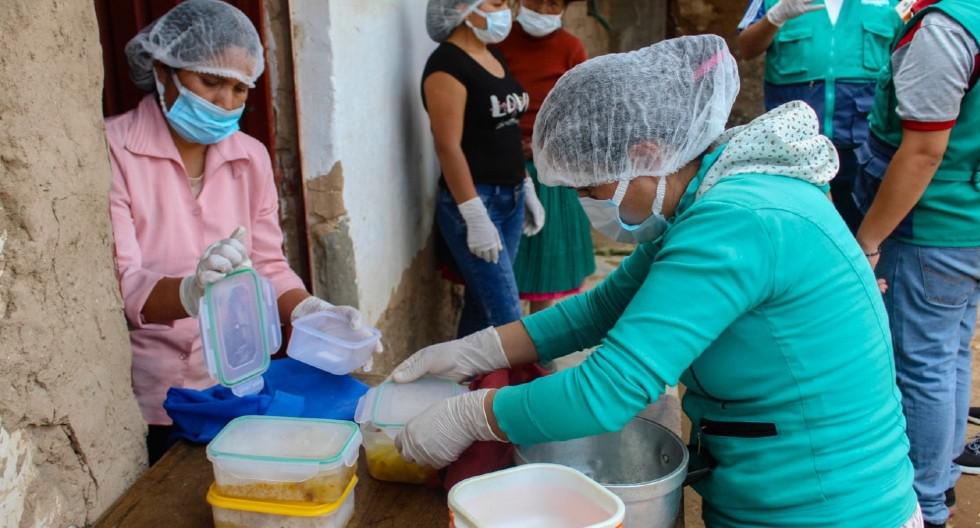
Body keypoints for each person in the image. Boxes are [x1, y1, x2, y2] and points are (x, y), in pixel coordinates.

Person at [391, 35, 921, 527]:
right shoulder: (715, 193)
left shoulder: (735, 222)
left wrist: (469, 416)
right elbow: (602, 309)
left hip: (825, 507)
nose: (586, 206)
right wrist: (478, 350)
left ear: (645, 155)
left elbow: (607, 392)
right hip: (787, 486)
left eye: (590, 188)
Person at [107, 0, 375, 464]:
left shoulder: (249, 156)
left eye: (239, 88)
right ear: (162, 70)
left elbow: (269, 266)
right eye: (210, 82)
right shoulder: (113, 149)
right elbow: (123, 284)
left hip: (234, 381)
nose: (225, 103)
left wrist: (314, 311)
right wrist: (191, 293)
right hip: (150, 394)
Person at [852, 0, 980, 524]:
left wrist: (870, 238)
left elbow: (924, 151)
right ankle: (941, 480)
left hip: (934, 226)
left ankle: (923, 503)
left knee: (920, 365)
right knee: (949, 353)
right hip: (966, 222)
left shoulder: (947, 28)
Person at [424, 0, 543, 337]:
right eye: (495, 2)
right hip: (477, 200)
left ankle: (465, 380)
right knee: (507, 314)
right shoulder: (445, 67)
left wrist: (526, 185)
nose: (504, 9)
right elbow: (447, 146)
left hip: (512, 196)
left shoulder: (494, 55)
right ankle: (524, 383)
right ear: (464, 8)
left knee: (483, 303)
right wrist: (474, 214)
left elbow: (505, 130)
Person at [737, 0, 903, 233]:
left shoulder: (894, 3)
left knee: (860, 237)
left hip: (864, 155)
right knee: (796, 234)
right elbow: (746, 48)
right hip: (792, 155)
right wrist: (774, 18)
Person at [494, 0, 595, 313]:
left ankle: (538, 347)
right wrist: (511, 141)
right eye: (537, 0)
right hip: (502, 160)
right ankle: (503, 339)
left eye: (554, 3)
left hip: (550, 163)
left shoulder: (570, 48)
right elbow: (488, 97)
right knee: (505, 265)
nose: (543, 8)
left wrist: (541, 144)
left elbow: (579, 110)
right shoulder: (499, 42)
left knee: (548, 266)